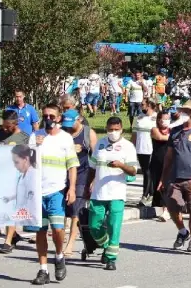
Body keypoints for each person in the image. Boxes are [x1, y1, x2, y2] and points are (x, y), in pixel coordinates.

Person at [28, 105, 78, 285]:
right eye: (45, 115)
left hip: (56, 190)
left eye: (52, 116)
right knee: (40, 231)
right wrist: (34, 146)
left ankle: (58, 256)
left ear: (58, 118)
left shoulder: (65, 139)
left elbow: (72, 166)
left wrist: (72, 188)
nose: (48, 118)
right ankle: (43, 270)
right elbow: (26, 163)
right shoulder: (35, 136)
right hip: (37, 192)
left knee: (57, 229)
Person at [87, 116, 138, 271]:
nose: (113, 132)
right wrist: (89, 183)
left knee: (113, 226)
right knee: (94, 225)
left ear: (121, 129)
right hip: (99, 192)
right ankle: (107, 245)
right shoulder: (101, 143)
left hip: (117, 193)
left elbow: (133, 171)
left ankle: (111, 258)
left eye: (116, 130)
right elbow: (92, 166)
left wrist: (121, 165)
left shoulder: (127, 146)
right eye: (110, 129)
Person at [160, 100, 191, 253]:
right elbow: (168, 156)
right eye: (182, 110)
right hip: (175, 177)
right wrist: (163, 177)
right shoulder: (175, 132)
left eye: (187, 111)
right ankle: (182, 231)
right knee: (172, 206)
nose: (182, 113)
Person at [0, 110, 32, 254]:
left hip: (17, 177)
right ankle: (14, 235)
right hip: (1, 176)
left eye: (8, 127)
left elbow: (29, 159)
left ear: (15, 124)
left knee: (12, 207)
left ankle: (8, 241)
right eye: (3, 126)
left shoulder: (24, 138)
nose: (5, 129)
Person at [60, 109, 97, 257]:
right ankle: (60, 240)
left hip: (82, 174)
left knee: (76, 210)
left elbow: (96, 158)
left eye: (71, 123)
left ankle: (71, 243)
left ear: (79, 120)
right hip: (63, 175)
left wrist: (93, 180)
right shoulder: (62, 133)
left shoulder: (88, 134)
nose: (68, 127)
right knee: (62, 210)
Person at [131, 100, 157, 205]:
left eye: (143, 104)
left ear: (150, 105)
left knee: (148, 172)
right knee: (146, 170)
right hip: (140, 148)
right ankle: (151, 193)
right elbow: (134, 134)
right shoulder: (139, 117)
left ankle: (145, 195)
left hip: (150, 148)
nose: (141, 106)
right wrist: (132, 147)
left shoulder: (156, 117)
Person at [149, 110, 172, 221]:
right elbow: (160, 138)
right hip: (157, 160)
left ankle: (166, 210)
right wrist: (173, 136)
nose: (166, 121)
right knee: (157, 184)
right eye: (164, 119)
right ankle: (157, 206)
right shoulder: (155, 130)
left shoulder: (172, 130)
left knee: (166, 185)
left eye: (168, 118)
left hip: (169, 161)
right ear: (158, 120)